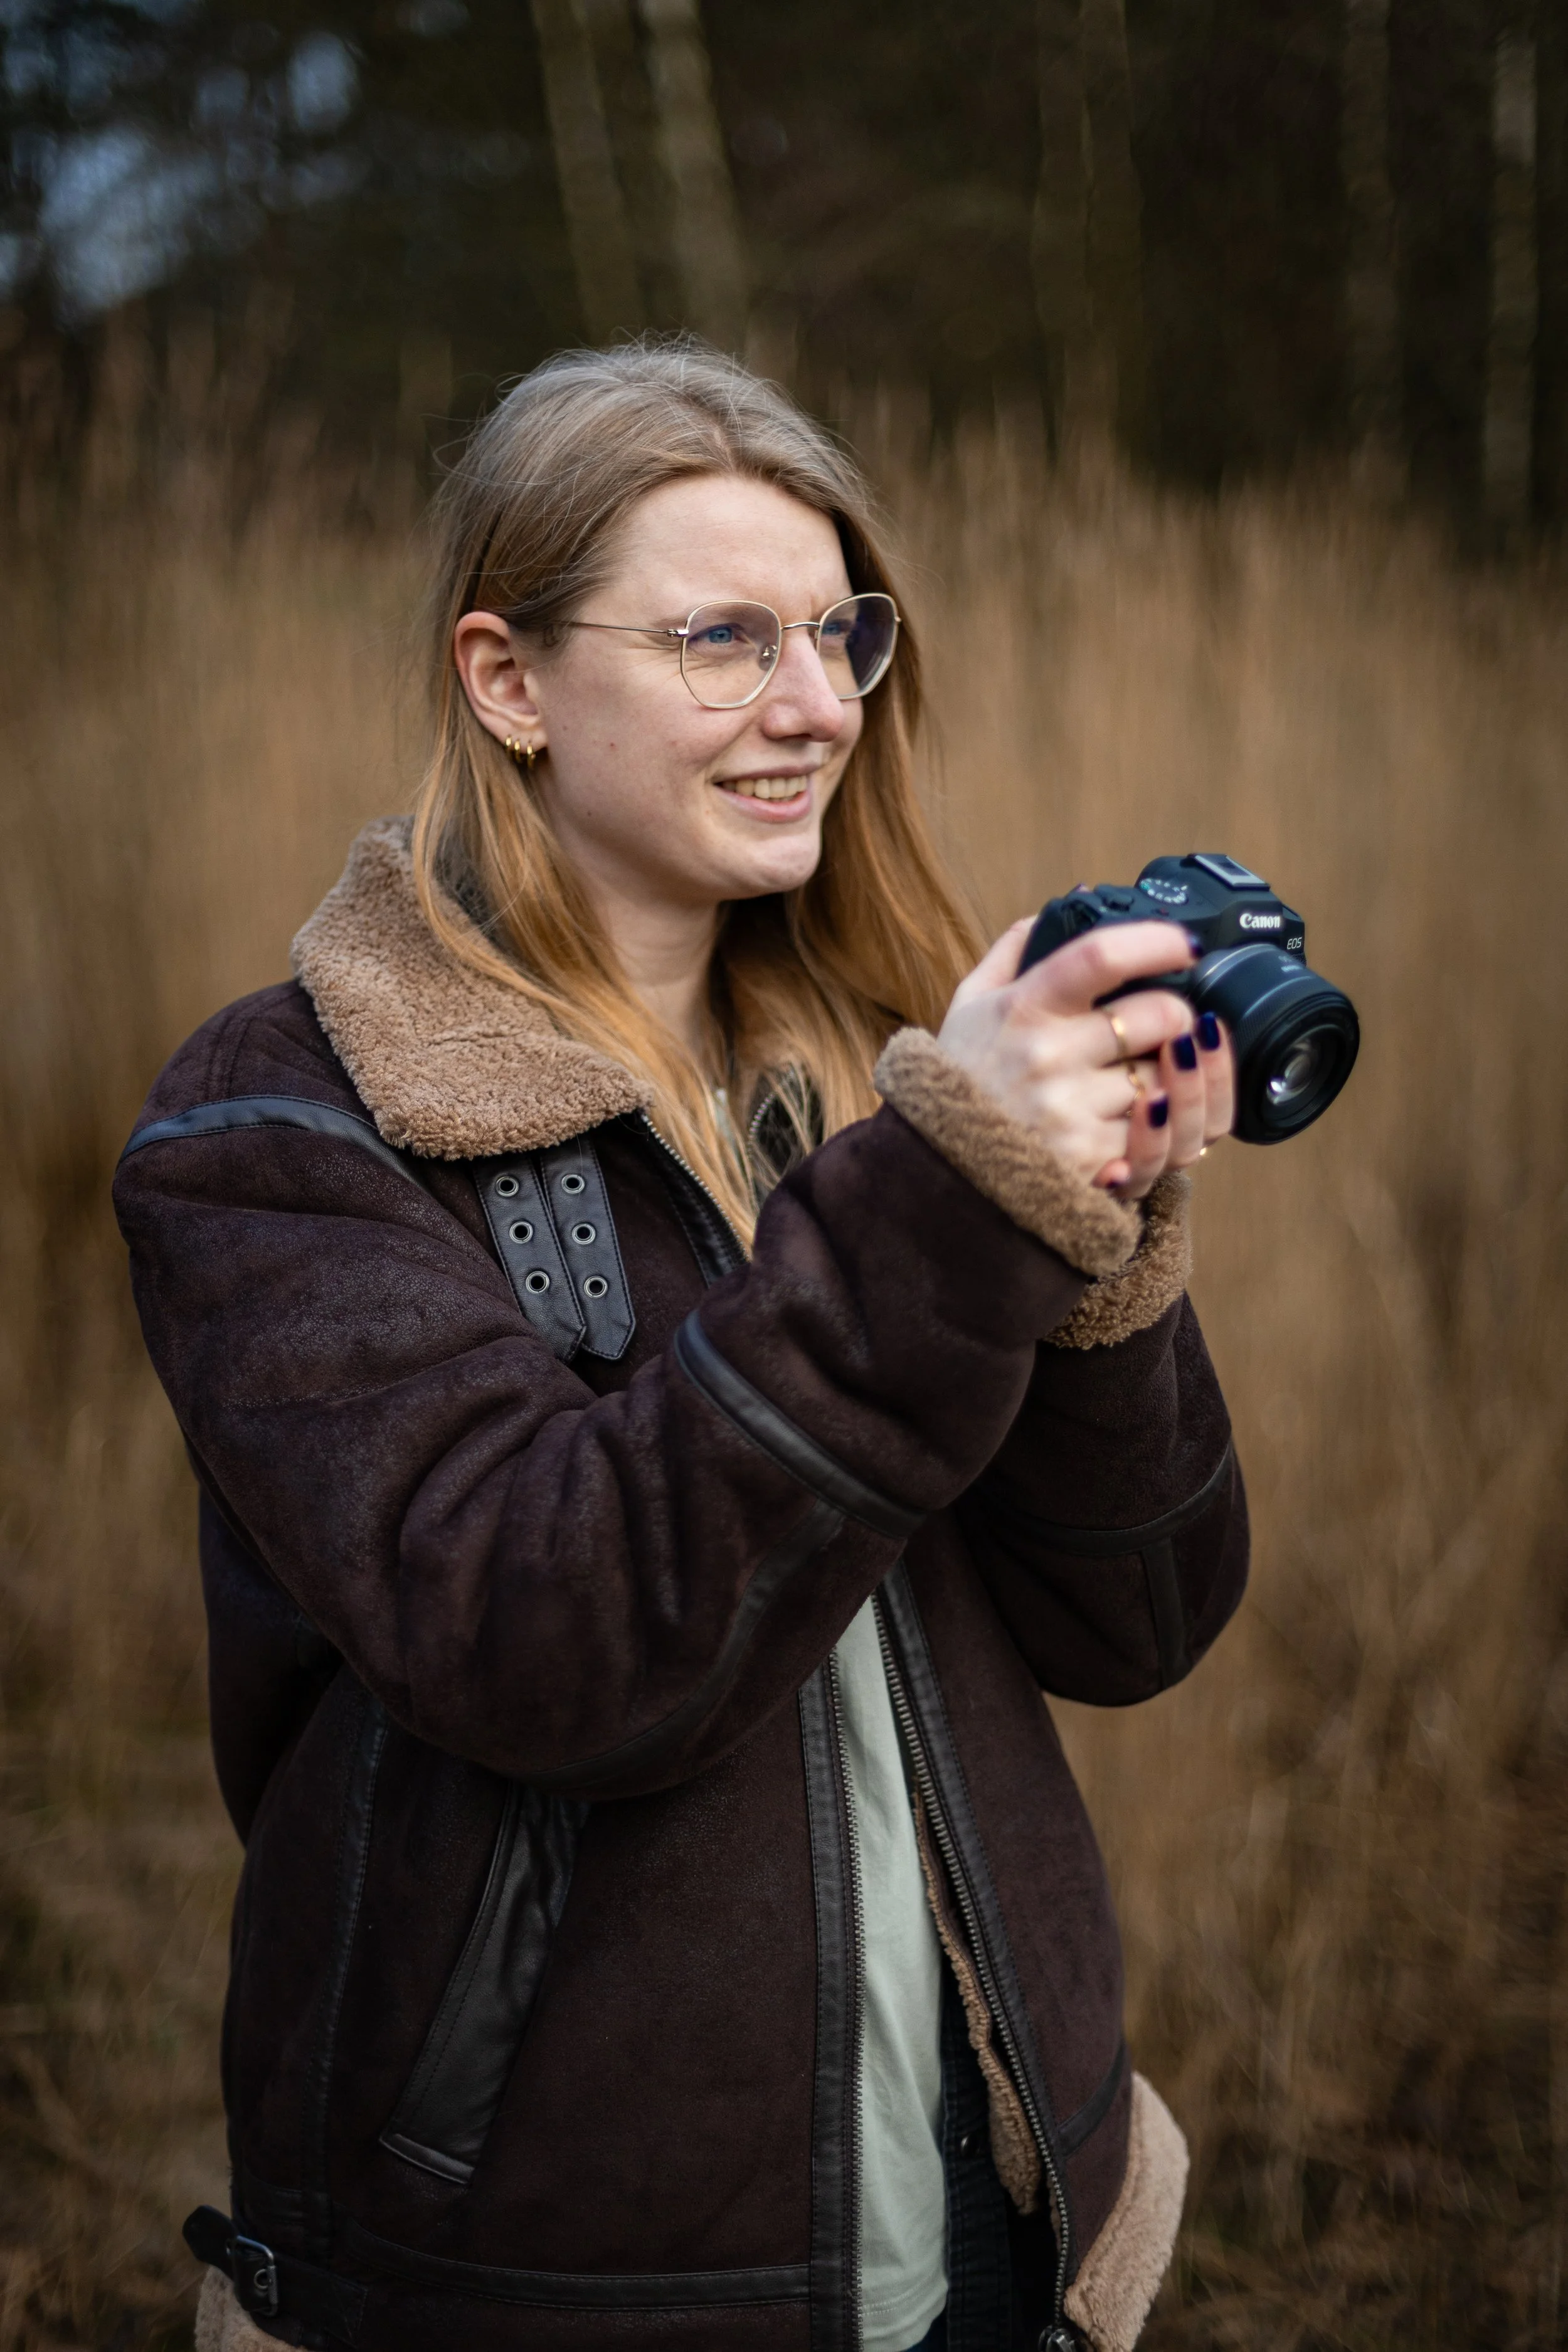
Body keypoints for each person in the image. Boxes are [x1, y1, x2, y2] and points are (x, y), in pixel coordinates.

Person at [115, 340, 1248, 2352]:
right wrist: (943, 1213)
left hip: (1005, 2224)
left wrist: (1091, 1234)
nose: (812, 703)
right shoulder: (281, 1129)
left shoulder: (886, 1061)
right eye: (722, 637)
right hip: (551, 2272)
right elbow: (546, 1636)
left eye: (837, 631)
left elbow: (1138, 1619)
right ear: (508, 679)